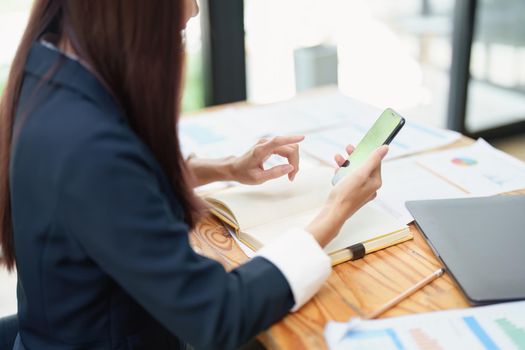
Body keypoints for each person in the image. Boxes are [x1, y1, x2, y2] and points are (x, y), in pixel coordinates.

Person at [0, 1, 387, 349]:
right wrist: (336, 210)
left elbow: (112, 191)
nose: (195, 10)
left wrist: (227, 168)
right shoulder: (90, 147)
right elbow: (218, 315)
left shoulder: (47, 72)